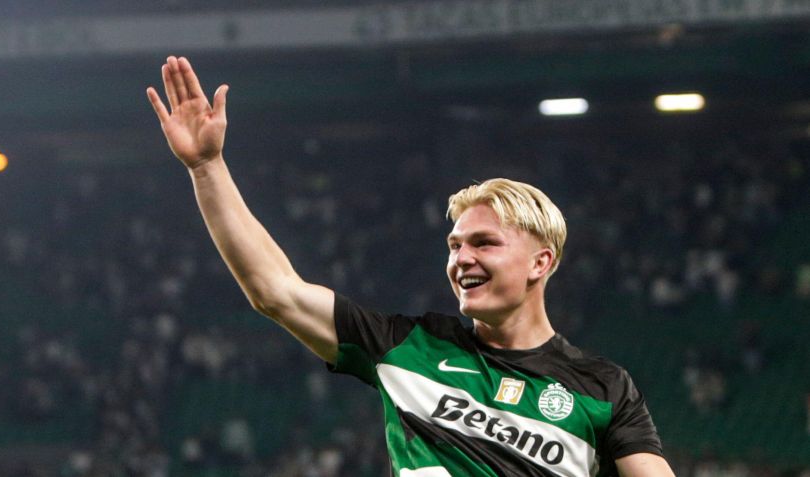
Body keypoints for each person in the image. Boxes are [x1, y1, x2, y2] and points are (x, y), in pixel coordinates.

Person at [146, 55, 675, 477]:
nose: (462, 258)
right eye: (454, 245)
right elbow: (276, 291)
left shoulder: (602, 388)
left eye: (484, 243)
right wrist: (207, 167)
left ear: (541, 261)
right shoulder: (407, 347)